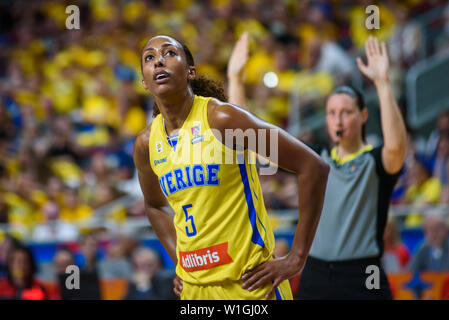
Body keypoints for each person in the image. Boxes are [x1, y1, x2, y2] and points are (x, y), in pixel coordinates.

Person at [133, 35, 330, 300]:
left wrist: (297, 256)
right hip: (195, 292)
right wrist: (179, 259)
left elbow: (312, 166)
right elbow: (154, 205)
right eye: (149, 57)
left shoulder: (222, 120)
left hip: (250, 286)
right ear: (145, 81)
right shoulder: (146, 144)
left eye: (169, 53)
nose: (158, 61)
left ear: (190, 71)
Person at [228, 35, 407, 299]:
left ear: (363, 115)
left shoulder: (375, 159)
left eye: (347, 112)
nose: (339, 119)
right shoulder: (312, 161)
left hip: (363, 272)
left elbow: (396, 148)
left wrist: (382, 82)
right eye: (332, 112)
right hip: (314, 271)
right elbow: (253, 143)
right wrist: (235, 79)